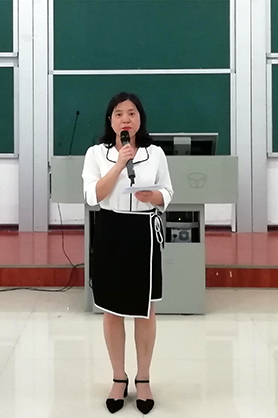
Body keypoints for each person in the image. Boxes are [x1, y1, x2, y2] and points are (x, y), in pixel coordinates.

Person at [82, 92, 174, 414]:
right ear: (110, 120)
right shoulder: (96, 153)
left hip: (143, 232)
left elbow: (168, 191)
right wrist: (120, 163)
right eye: (119, 113)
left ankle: (144, 378)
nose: (125, 119)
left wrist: (155, 197)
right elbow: (93, 195)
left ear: (140, 119)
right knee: (112, 309)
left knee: (145, 309)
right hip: (111, 229)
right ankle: (118, 378)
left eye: (131, 113)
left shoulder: (155, 153)